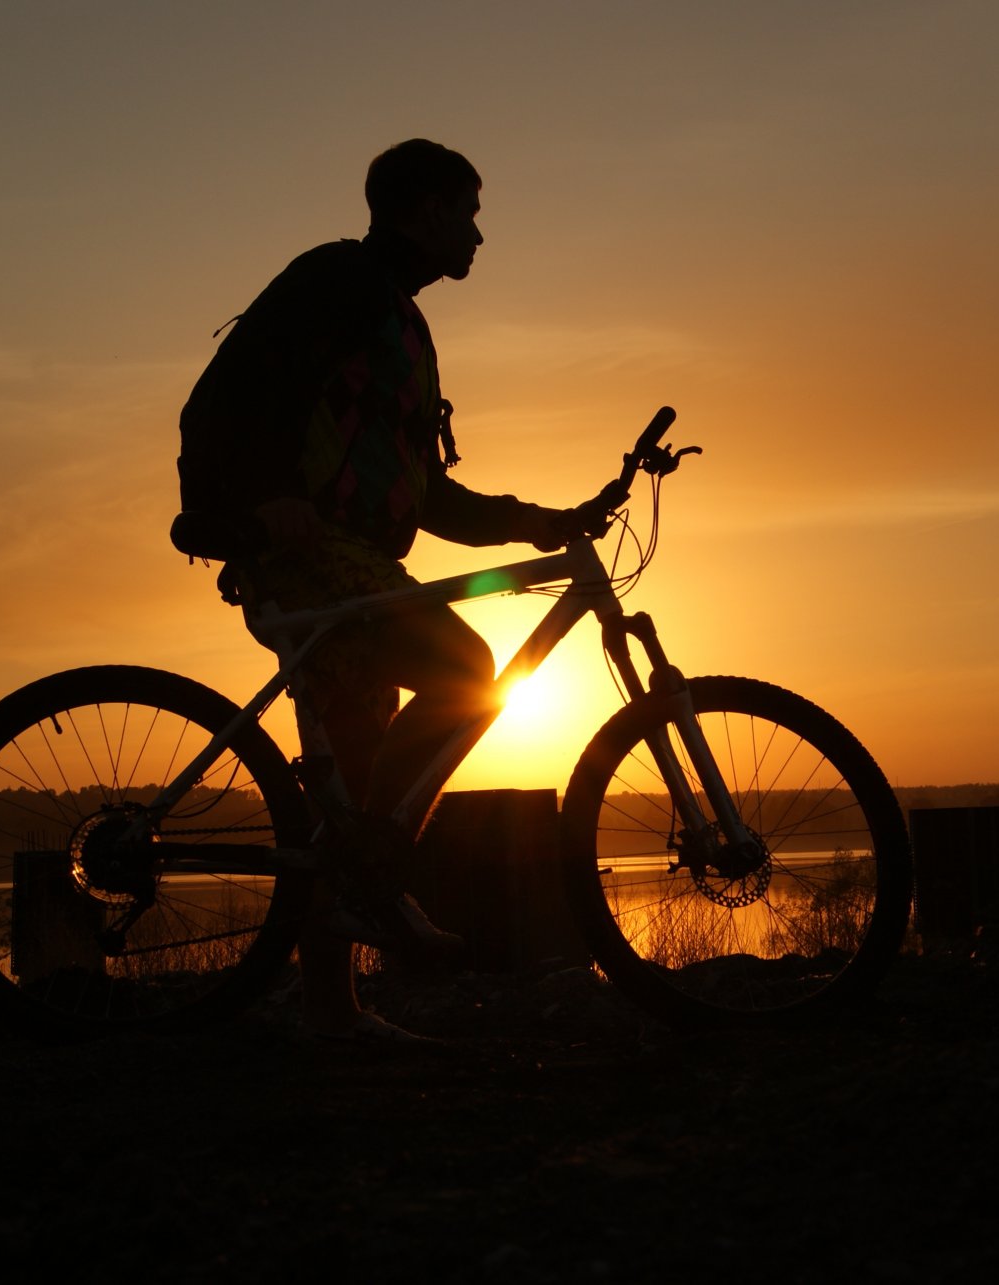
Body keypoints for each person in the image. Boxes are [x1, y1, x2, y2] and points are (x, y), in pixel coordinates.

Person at [177, 139, 579, 1040]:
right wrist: (256, 499)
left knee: (353, 791)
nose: (478, 234)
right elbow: (223, 397)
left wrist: (537, 520)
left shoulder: (401, 322)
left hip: (357, 562)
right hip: (310, 552)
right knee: (466, 666)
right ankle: (381, 884)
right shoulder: (339, 282)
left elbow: (426, 494)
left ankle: (334, 1005)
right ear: (428, 210)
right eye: (469, 212)